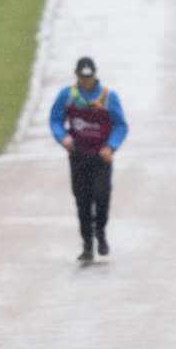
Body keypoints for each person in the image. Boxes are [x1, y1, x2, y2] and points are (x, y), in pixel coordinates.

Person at [49, 56, 129, 263]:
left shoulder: (108, 97)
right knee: (82, 200)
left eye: (89, 78)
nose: (86, 82)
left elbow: (120, 125)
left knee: (101, 196)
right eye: (82, 78)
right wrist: (62, 137)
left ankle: (100, 231)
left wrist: (111, 146)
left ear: (95, 76)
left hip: (101, 156)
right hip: (78, 155)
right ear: (77, 76)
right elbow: (55, 119)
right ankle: (87, 244)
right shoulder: (67, 95)